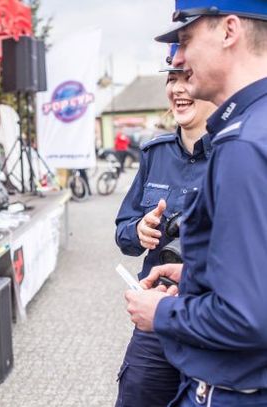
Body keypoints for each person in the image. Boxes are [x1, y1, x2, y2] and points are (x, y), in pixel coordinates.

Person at [125, 1, 267, 405]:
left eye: (186, 39)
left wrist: (160, 313)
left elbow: (248, 318)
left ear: (229, 31)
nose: (179, 59)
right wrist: (198, 276)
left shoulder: (243, 144)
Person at [114, 44, 216, 407]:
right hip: (156, 316)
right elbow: (123, 234)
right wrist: (139, 229)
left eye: (187, 77)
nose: (177, 89)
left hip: (209, 319)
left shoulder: (235, 154)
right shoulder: (154, 154)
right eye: (171, 79)